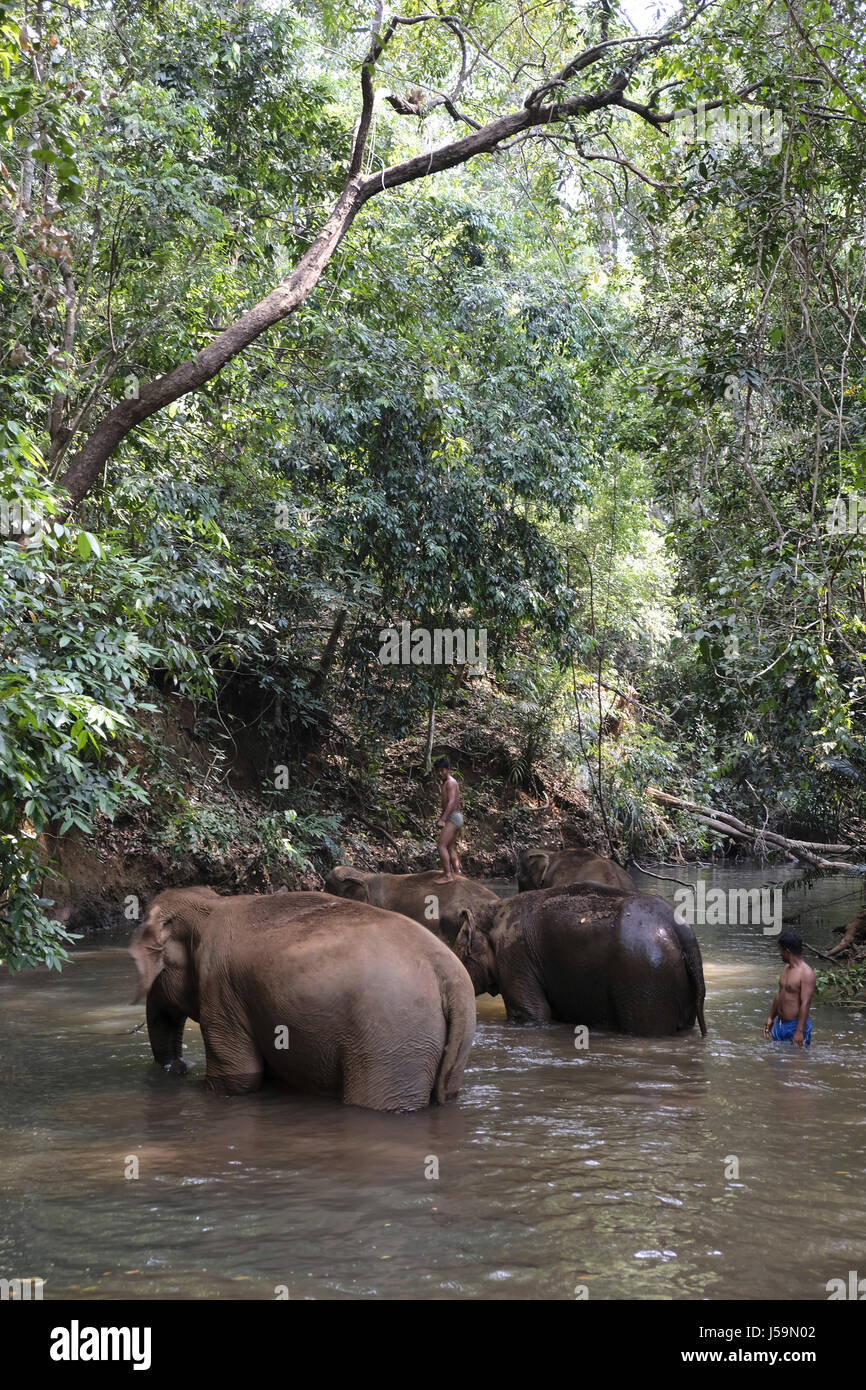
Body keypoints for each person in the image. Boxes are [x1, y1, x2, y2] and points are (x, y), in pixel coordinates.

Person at [763, 930, 815, 1046]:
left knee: (796, 1061)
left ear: (787, 951)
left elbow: (805, 1003)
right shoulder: (786, 969)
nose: (780, 953)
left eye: (781, 950)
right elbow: (780, 994)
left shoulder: (806, 973)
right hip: (780, 1024)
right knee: (776, 1060)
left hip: (795, 1026)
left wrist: (799, 1031)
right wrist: (771, 1017)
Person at [433, 755, 462, 883]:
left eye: (441, 770)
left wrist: (443, 819)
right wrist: (441, 817)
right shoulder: (446, 782)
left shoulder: (450, 782)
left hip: (453, 817)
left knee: (441, 845)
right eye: (437, 770)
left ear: (447, 769)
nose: (439, 773)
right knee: (450, 847)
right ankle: (457, 873)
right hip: (455, 816)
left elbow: (451, 802)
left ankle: (448, 875)